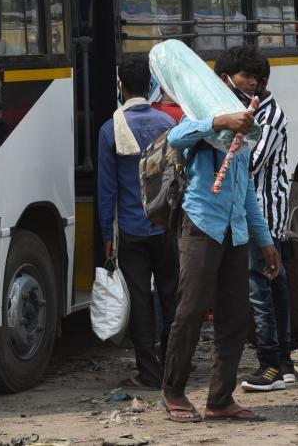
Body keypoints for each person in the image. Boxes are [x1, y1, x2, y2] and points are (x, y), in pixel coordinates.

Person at [160, 58, 281, 423]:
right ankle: (173, 391)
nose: (253, 84)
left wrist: (265, 242)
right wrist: (218, 122)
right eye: (247, 76)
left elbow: (245, 194)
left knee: (234, 316)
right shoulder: (201, 113)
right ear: (224, 77)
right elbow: (175, 138)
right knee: (192, 309)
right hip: (202, 224)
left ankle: (220, 398)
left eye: (259, 80)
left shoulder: (247, 126)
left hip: (236, 231)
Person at [97, 56, 178, 389]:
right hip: (167, 226)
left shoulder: (109, 130)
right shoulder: (167, 124)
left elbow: (107, 189)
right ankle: (175, 365)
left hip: (131, 229)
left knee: (141, 301)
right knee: (172, 298)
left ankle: (149, 372)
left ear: (121, 86)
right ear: (151, 86)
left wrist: (106, 234)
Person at [227, 52, 294, 393]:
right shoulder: (253, 112)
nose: (245, 84)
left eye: (247, 77)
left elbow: (250, 162)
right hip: (262, 212)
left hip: (264, 214)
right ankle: (283, 362)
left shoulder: (269, 117)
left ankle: (270, 364)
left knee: (261, 289)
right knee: (274, 287)